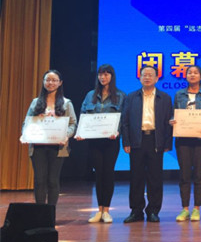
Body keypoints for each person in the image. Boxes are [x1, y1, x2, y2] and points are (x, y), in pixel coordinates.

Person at [121, 66, 173, 223]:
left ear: (157, 78)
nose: (147, 77)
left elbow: (169, 122)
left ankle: (153, 211)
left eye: (151, 75)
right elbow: (125, 122)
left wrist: (167, 142)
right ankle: (136, 211)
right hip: (137, 140)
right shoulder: (131, 97)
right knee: (136, 177)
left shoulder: (165, 98)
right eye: (144, 75)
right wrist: (126, 141)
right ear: (140, 78)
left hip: (155, 140)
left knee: (155, 177)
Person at [77, 64, 125, 223]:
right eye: (100, 74)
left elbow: (123, 118)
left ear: (112, 76)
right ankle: (99, 210)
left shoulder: (120, 95)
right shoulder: (90, 95)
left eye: (106, 74)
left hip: (111, 142)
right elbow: (83, 115)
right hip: (94, 141)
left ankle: (107, 211)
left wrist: (117, 131)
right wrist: (81, 132)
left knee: (108, 173)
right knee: (99, 174)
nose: (103, 77)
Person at [21, 70, 77, 205]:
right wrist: (25, 134)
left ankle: (50, 213)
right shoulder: (35, 102)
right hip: (38, 147)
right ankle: (40, 212)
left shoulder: (66, 103)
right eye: (48, 80)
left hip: (58, 147)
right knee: (39, 180)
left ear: (60, 83)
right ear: (43, 82)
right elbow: (26, 123)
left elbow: (73, 124)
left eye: (54, 80)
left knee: (53, 180)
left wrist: (66, 135)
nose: (50, 83)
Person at [170, 65, 201, 222]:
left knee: (199, 174)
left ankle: (196, 208)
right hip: (183, 140)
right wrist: (172, 121)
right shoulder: (179, 94)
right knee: (184, 174)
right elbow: (174, 114)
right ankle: (185, 209)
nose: (192, 75)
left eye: (196, 73)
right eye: (190, 72)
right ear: (186, 76)